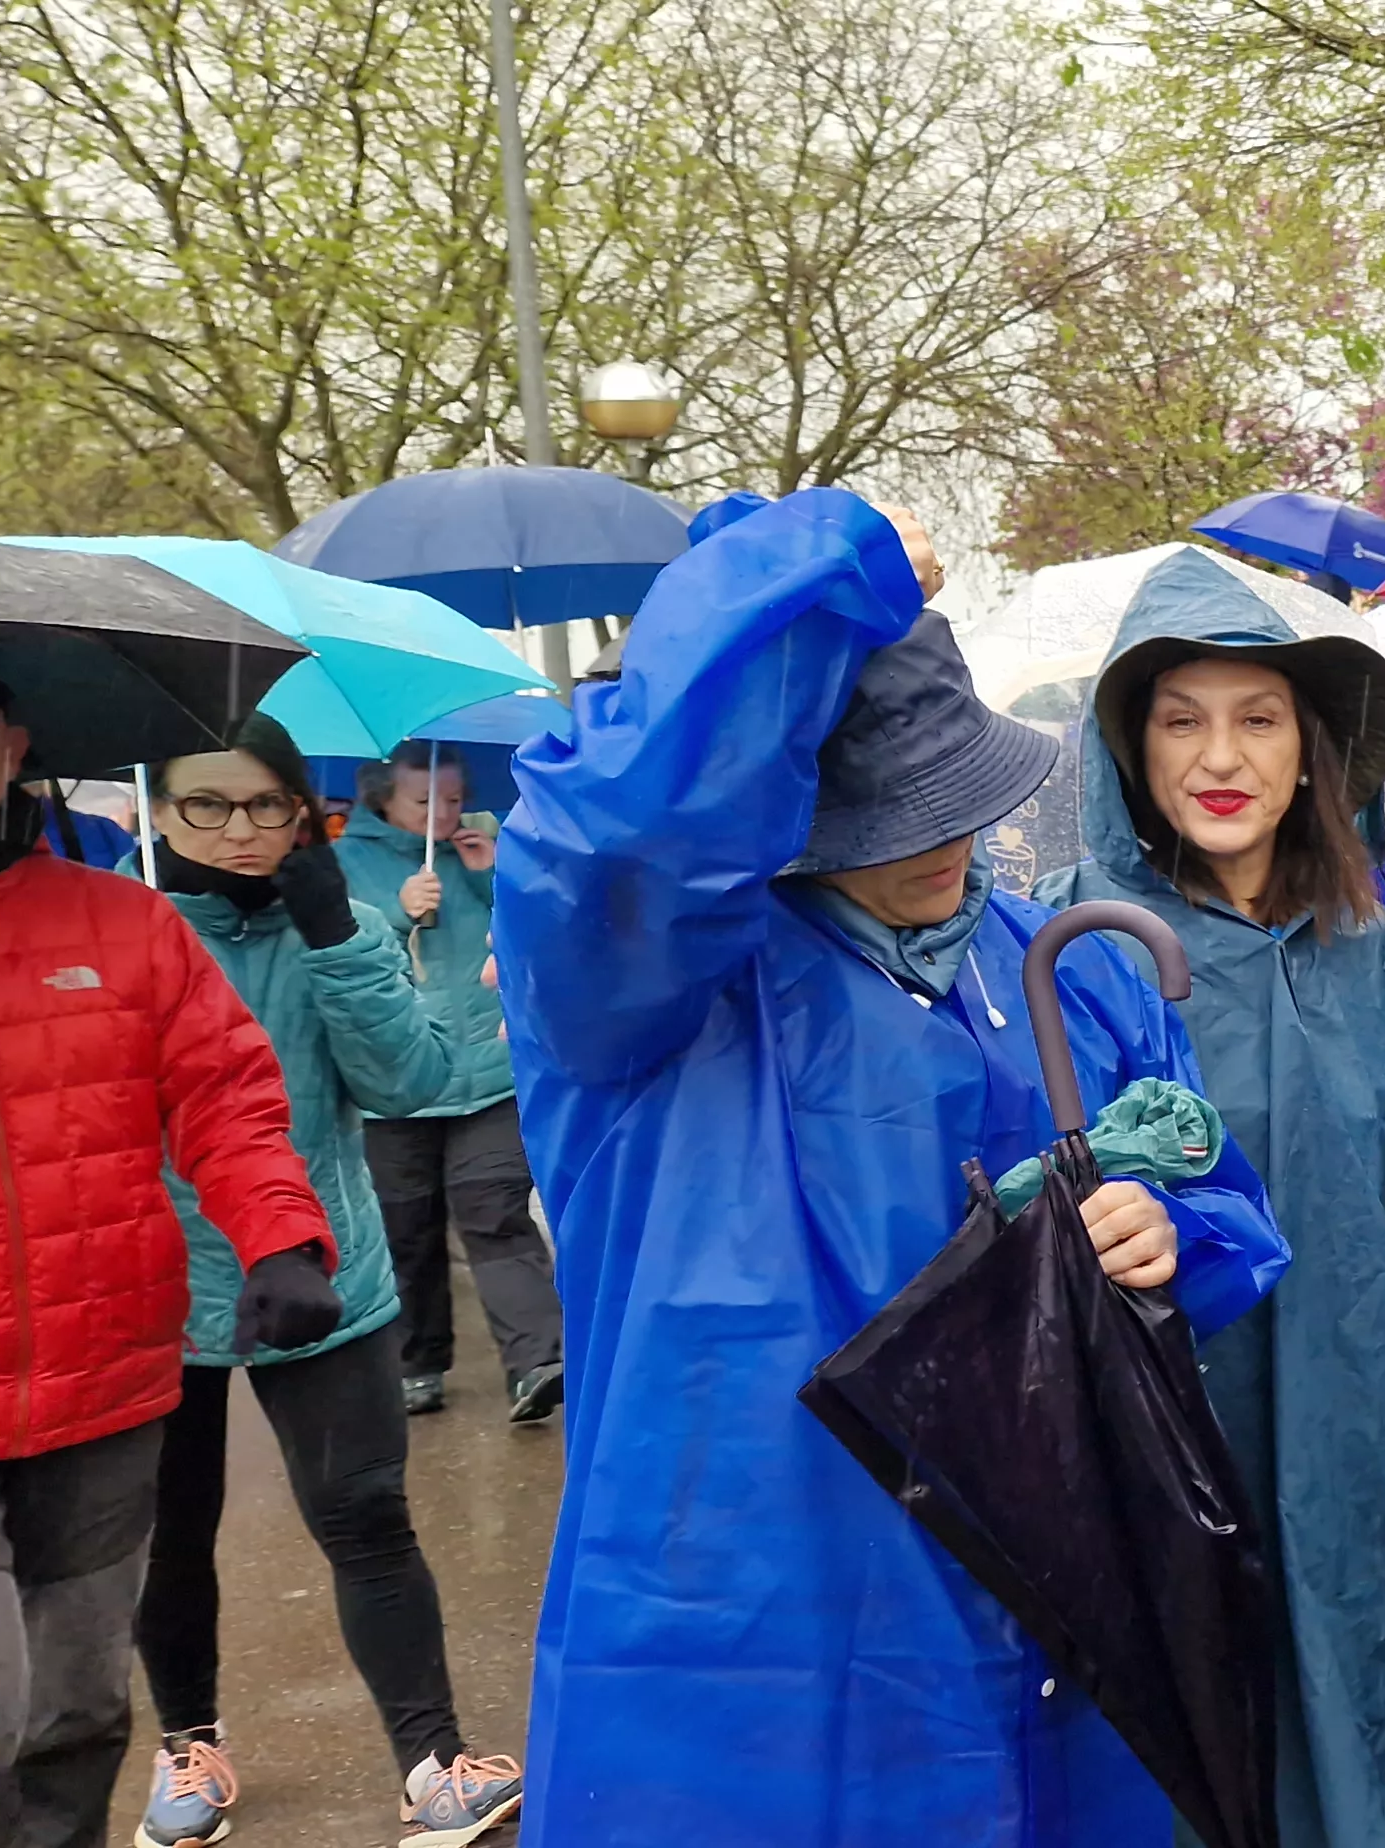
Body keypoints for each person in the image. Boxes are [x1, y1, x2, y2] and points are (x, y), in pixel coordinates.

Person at [498, 491, 1290, 1846]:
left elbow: (1211, 1193)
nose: (935, 841)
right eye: (876, 816)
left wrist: (1172, 1230)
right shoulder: (650, 1004)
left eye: (954, 799)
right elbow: (609, 837)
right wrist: (821, 572)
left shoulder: (1070, 969)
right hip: (756, 1671)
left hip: (1055, 1647)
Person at [1042, 550, 1385, 1847]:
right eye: (1181, 717)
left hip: (1380, 1477)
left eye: (1257, 717)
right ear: (1131, 746)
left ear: (1308, 753)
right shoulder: (1078, 954)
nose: (1218, 755)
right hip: (1183, 1481)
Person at [117, 718, 529, 1848]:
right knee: (170, 1531)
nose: (241, 831)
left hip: (325, 1267)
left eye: (266, 805)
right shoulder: (120, 922)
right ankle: (189, 1746)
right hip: (160, 1283)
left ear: (305, 810)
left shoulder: (332, 912)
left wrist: (339, 936)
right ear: (158, 812)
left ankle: (432, 1762)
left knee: (365, 1517)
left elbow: (409, 1080)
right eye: (209, 805)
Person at [0, 678, 342, 1848]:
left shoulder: (128, 924)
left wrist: (281, 1236)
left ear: (13, 745)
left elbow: (230, 1100)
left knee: (80, 1709)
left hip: (106, 1379)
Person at [337, 745, 566, 1424]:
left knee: (495, 1215)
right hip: (395, 1082)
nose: (444, 814)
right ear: (382, 799)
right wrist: (398, 910)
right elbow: (340, 964)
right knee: (406, 1227)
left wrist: (497, 879)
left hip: (490, 1073)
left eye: (455, 798)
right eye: (423, 801)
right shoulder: (345, 865)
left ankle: (538, 1360)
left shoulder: (492, 847)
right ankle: (416, 1363)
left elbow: (545, 935)